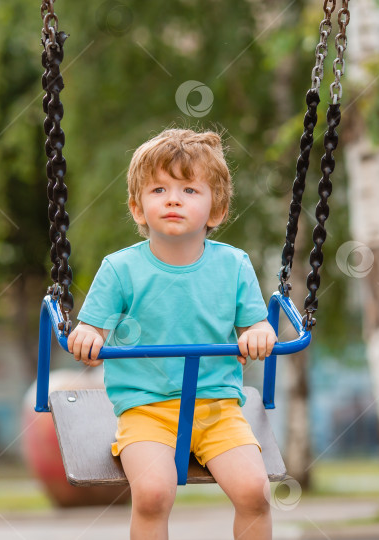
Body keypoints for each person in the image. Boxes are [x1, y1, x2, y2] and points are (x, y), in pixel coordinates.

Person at [67, 128, 277, 540]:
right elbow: (91, 327)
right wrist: (88, 336)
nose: (173, 199)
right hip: (147, 408)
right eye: (159, 189)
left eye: (189, 190)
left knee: (256, 491)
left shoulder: (234, 265)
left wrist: (258, 333)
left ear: (215, 210)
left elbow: (256, 324)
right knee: (152, 494)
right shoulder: (120, 269)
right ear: (137, 209)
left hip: (218, 407)